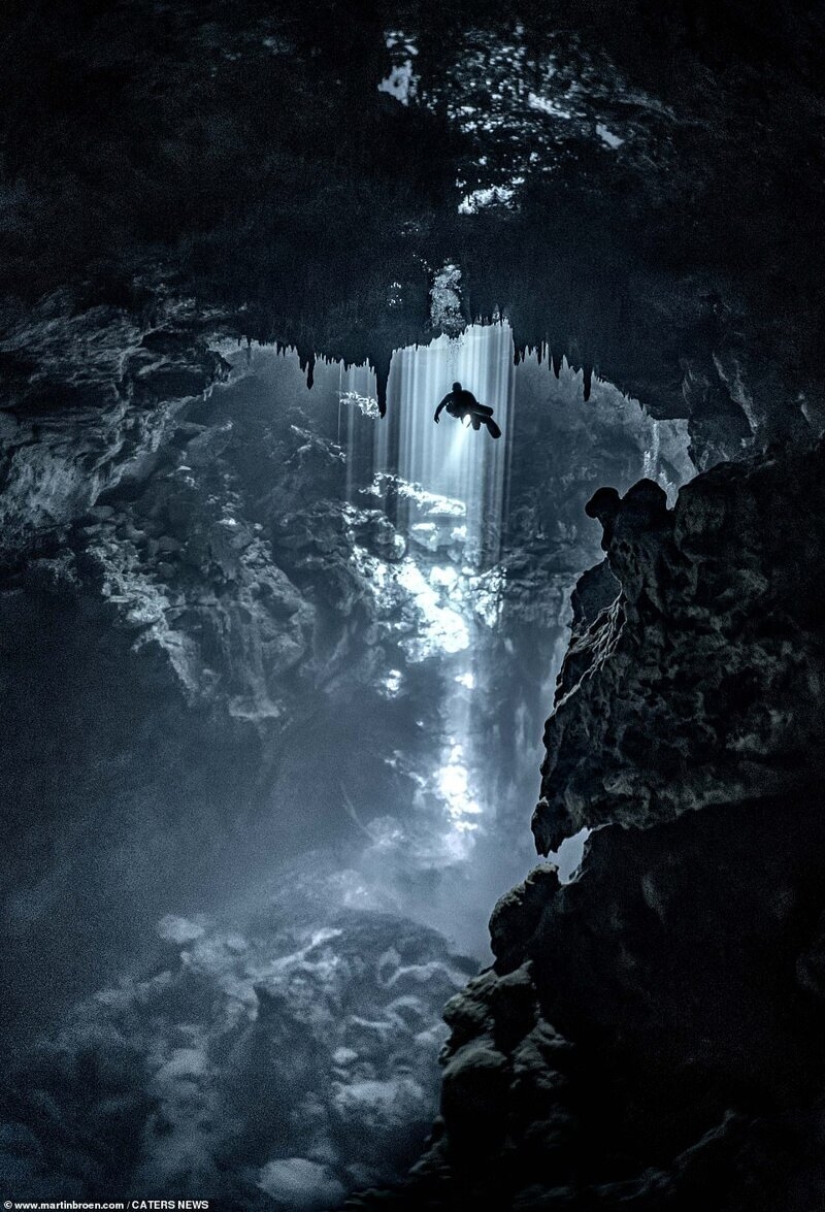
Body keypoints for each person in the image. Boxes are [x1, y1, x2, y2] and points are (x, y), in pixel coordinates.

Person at [433, 382, 502, 438]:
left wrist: (436, 414)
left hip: (471, 409)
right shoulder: (451, 397)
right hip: (465, 413)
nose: (457, 393)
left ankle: (495, 433)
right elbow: (441, 405)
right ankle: (475, 421)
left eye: (458, 391)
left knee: (488, 414)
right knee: (483, 418)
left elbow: (474, 404)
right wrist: (436, 414)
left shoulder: (466, 394)